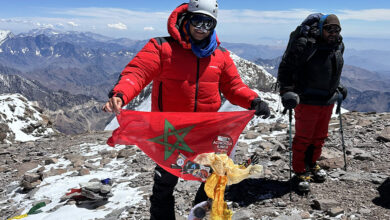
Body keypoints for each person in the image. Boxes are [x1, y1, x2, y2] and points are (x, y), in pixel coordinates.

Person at [102, 0, 270, 219]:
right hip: (170, 134)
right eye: (197, 21)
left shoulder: (220, 56)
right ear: (186, 19)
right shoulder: (162, 47)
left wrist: (253, 101)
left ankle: (199, 215)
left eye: (208, 24)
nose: (201, 29)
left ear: (214, 25)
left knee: (210, 180)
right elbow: (137, 73)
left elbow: (234, 87)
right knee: (165, 183)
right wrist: (121, 93)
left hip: (204, 134)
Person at [277, 13, 347, 192]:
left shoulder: (338, 45)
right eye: (329, 29)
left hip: (327, 100)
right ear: (321, 28)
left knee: (320, 137)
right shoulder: (306, 45)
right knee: (304, 138)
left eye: (336, 29)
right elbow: (286, 67)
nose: (333, 33)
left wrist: (338, 86)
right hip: (306, 100)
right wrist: (287, 90)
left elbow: (331, 69)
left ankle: (312, 163)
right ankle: (300, 172)